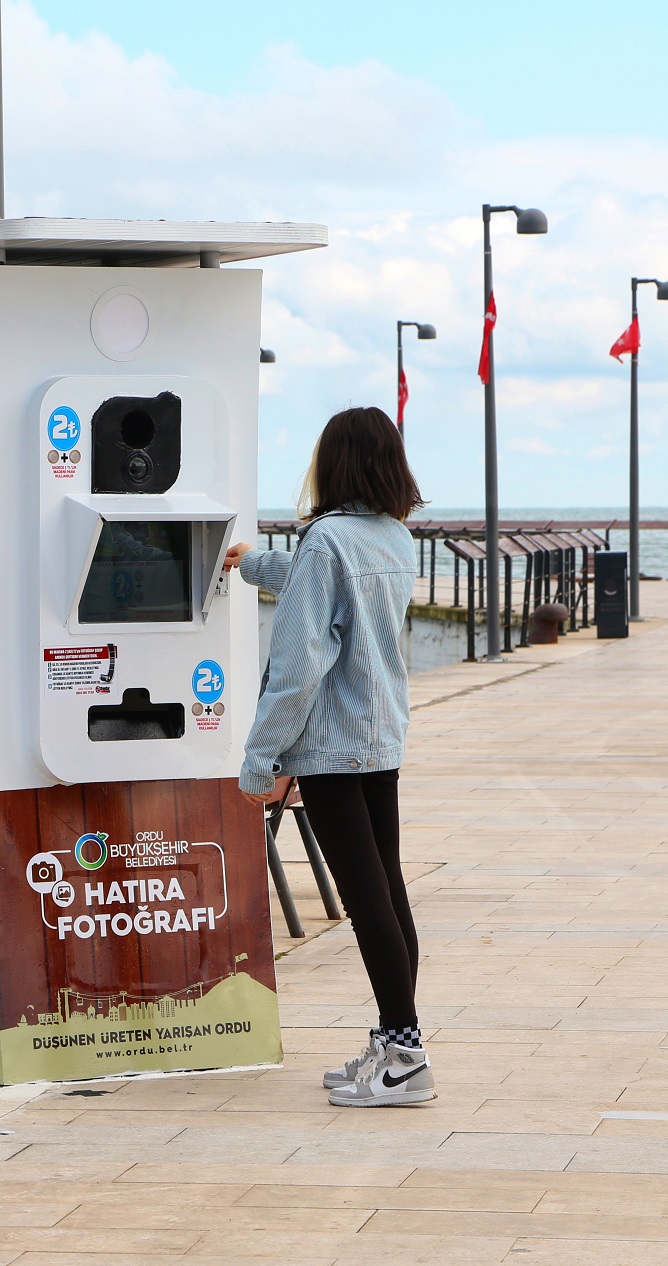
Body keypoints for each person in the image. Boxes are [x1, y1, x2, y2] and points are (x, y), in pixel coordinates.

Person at [224, 406, 433, 1108]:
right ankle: (395, 1041)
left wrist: (261, 756)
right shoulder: (392, 535)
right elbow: (330, 586)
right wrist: (255, 564)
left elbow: (300, 662)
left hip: (332, 746)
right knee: (387, 890)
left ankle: (405, 1057)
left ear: (334, 462)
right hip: (381, 735)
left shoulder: (326, 538)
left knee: (365, 900)